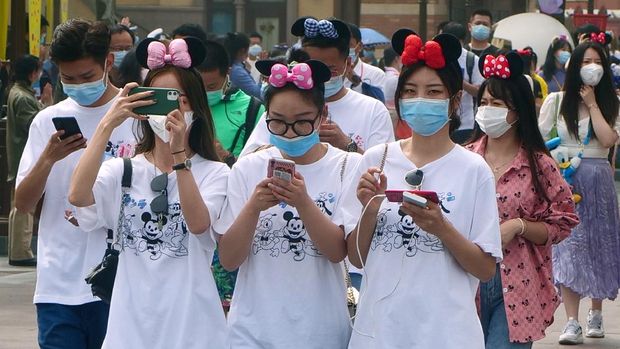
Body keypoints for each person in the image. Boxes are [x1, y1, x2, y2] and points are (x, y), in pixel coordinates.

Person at [342, 29, 502, 348]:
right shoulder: (376, 160)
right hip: (379, 332)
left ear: (454, 101)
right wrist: (371, 208)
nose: (420, 101)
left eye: (433, 92)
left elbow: (485, 269)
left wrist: (441, 227)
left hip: (447, 333)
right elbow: (355, 259)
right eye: (411, 91)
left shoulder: (474, 170)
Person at [68, 37, 229, 348]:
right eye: (158, 98)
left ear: (194, 104)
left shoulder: (215, 173)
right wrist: (108, 123)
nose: (169, 110)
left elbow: (199, 225)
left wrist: (180, 155)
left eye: (177, 99)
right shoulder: (123, 170)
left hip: (193, 328)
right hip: (130, 328)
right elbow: (77, 196)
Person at [214, 58, 356, 349]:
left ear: (321, 115)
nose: (289, 133)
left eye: (301, 122)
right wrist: (253, 207)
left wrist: (303, 203)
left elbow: (338, 251)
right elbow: (229, 259)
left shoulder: (347, 166)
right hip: (252, 331)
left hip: (321, 331)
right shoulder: (247, 168)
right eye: (277, 122)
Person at [14, 19, 136, 348]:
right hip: (59, 284)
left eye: (86, 77)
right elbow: (22, 204)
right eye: (68, 78)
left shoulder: (135, 118)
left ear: (108, 63)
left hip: (121, 282)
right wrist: (48, 158)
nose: (78, 85)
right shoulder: (46, 121)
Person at [467, 51, 579, 348]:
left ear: (517, 111)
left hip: (519, 284)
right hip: (466, 283)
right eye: (484, 103)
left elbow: (563, 221)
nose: (487, 110)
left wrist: (519, 225)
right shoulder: (464, 158)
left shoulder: (540, 165)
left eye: (497, 104)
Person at [538, 41, 620, 345]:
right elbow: (537, 136)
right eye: (586, 60)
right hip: (565, 178)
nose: (592, 66)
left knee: (598, 245)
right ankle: (571, 321)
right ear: (575, 65)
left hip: (598, 178)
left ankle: (595, 312)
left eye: (597, 61)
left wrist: (595, 104)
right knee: (569, 248)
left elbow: (608, 138)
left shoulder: (612, 103)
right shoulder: (558, 100)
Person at [240, 16, 394, 159]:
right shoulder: (282, 108)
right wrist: (287, 142)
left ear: (348, 63)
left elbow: (384, 170)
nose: (321, 76)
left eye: (330, 69)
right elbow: (247, 160)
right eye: (310, 69)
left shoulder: (373, 110)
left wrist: (347, 144)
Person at [197, 39, 264, 306]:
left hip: (234, 213)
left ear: (228, 73)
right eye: (198, 87)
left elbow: (260, 164)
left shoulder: (252, 109)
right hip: (196, 212)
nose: (204, 94)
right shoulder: (182, 107)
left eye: (211, 87)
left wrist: (225, 157)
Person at [6, 55, 51, 266]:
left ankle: (19, 251)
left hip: (18, 154)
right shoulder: (23, 97)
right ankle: (21, 252)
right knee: (23, 209)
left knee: (19, 208)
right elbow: (35, 124)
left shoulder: (18, 92)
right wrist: (48, 105)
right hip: (23, 154)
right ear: (33, 73)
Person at [441, 21, 484, 144]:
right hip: (440, 122)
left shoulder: (471, 60)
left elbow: (479, 91)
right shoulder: (436, 58)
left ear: (462, 41)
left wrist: (460, 81)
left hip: (465, 124)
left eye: (455, 42)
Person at [345, 23, 387, 97]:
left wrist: (357, 84)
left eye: (348, 45)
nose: (343, 50)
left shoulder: (376, 74)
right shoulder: (331, 74)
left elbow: (379, 104)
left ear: (360, 46)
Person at [224, 32, 262, 100]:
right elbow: (258, 93)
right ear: (243, 50)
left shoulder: (233, 66)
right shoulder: (237, 71)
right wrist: (263, 73)